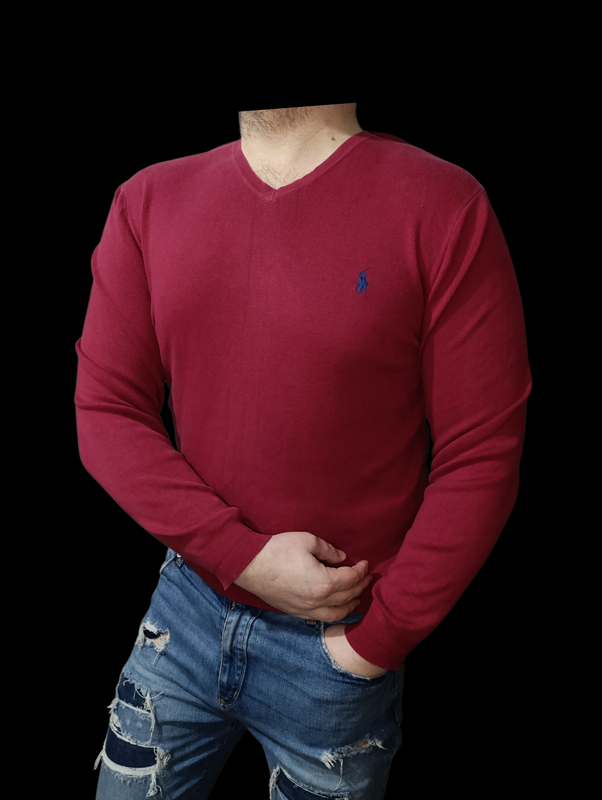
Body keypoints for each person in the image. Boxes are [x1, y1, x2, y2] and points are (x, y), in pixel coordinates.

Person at [75, 104, 532, 799]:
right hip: (186, 609)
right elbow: (107, 411)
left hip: (339, 644)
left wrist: (377, 643)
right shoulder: (147, 200)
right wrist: (240, 556)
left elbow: (482, 452)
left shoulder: (443, 205)